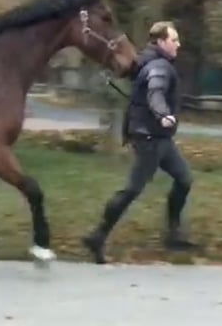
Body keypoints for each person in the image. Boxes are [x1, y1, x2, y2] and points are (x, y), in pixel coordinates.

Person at [81, 21, 200, 264]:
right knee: (132, 190)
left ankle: (173, 235)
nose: (178, 44)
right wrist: (163, 114)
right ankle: (97, 236)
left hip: (159, 138)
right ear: (161, 42)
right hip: (150, 139)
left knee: (184, 179)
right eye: (174, 40)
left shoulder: (149, 61)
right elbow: (155, 93)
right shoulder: (159, 67)